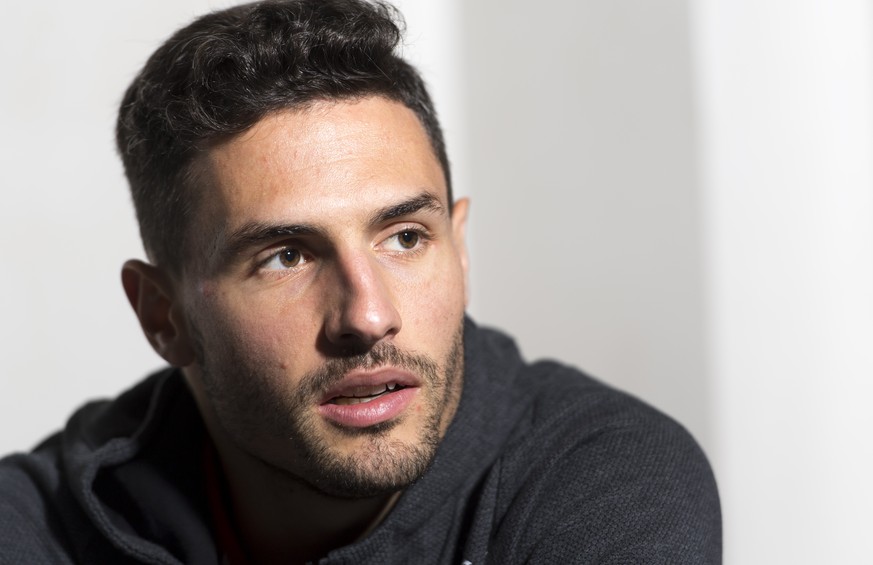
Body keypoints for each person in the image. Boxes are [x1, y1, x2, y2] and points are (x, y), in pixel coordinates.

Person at [0, 1, 721, 563]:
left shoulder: (602, 484)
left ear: (459, 249)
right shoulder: (41, 521)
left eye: (405, 238)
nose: (369, 315)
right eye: (286, 256)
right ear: (163, 314)